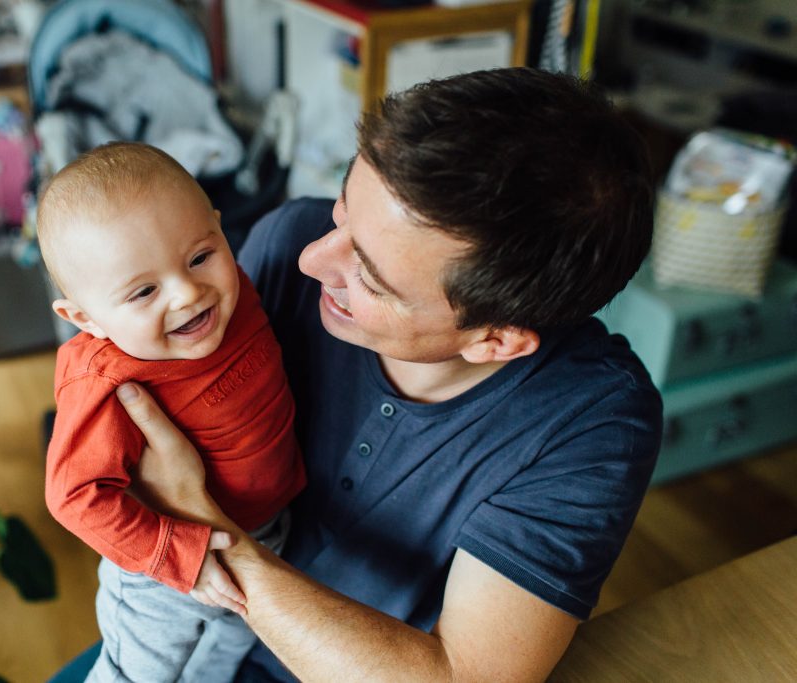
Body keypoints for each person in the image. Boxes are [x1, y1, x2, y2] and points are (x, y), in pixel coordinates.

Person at [111, 68, 664, 681]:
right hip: (188, 635)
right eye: (343, 209)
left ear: (495, 340)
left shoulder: (592, 421)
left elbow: (461, 676)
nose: (312, 259)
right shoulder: (290, 238)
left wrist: (201, 524)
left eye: (370, 278)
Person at [38, 142, 306, 682]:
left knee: (226, 655)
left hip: (263, 535)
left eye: (200, 256)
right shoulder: (109, 380)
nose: (189, 293)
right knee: (137, 673)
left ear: (218, 226)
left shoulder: (234, 294)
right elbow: (72, 497)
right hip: (164, 567)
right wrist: (177, 555)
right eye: (143, 291)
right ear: (84, 317)